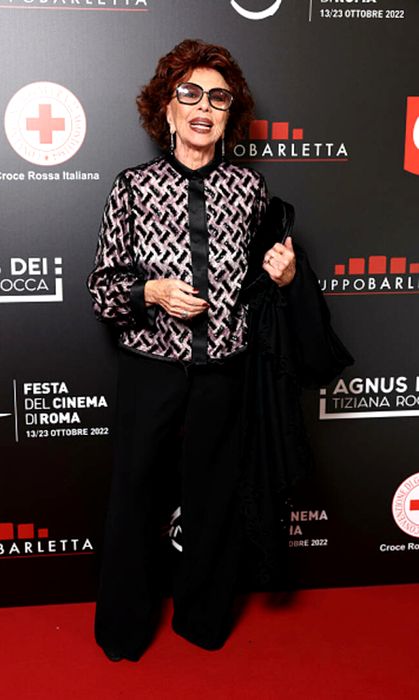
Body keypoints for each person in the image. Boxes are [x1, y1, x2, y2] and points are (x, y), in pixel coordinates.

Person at [87, 39, 350, 662]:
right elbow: (101, 289)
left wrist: (286, 276)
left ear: (231, 114)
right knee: (135, 496)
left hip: (226, 372)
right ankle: (124, 627)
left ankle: (202, 618)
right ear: (167, 108)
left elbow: (265, 285)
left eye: (218, 98)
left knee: (216, 498)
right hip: (151, 369)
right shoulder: (132, 187)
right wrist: (150, 291)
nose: (203, 108)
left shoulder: (249, 189)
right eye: (190, 94)